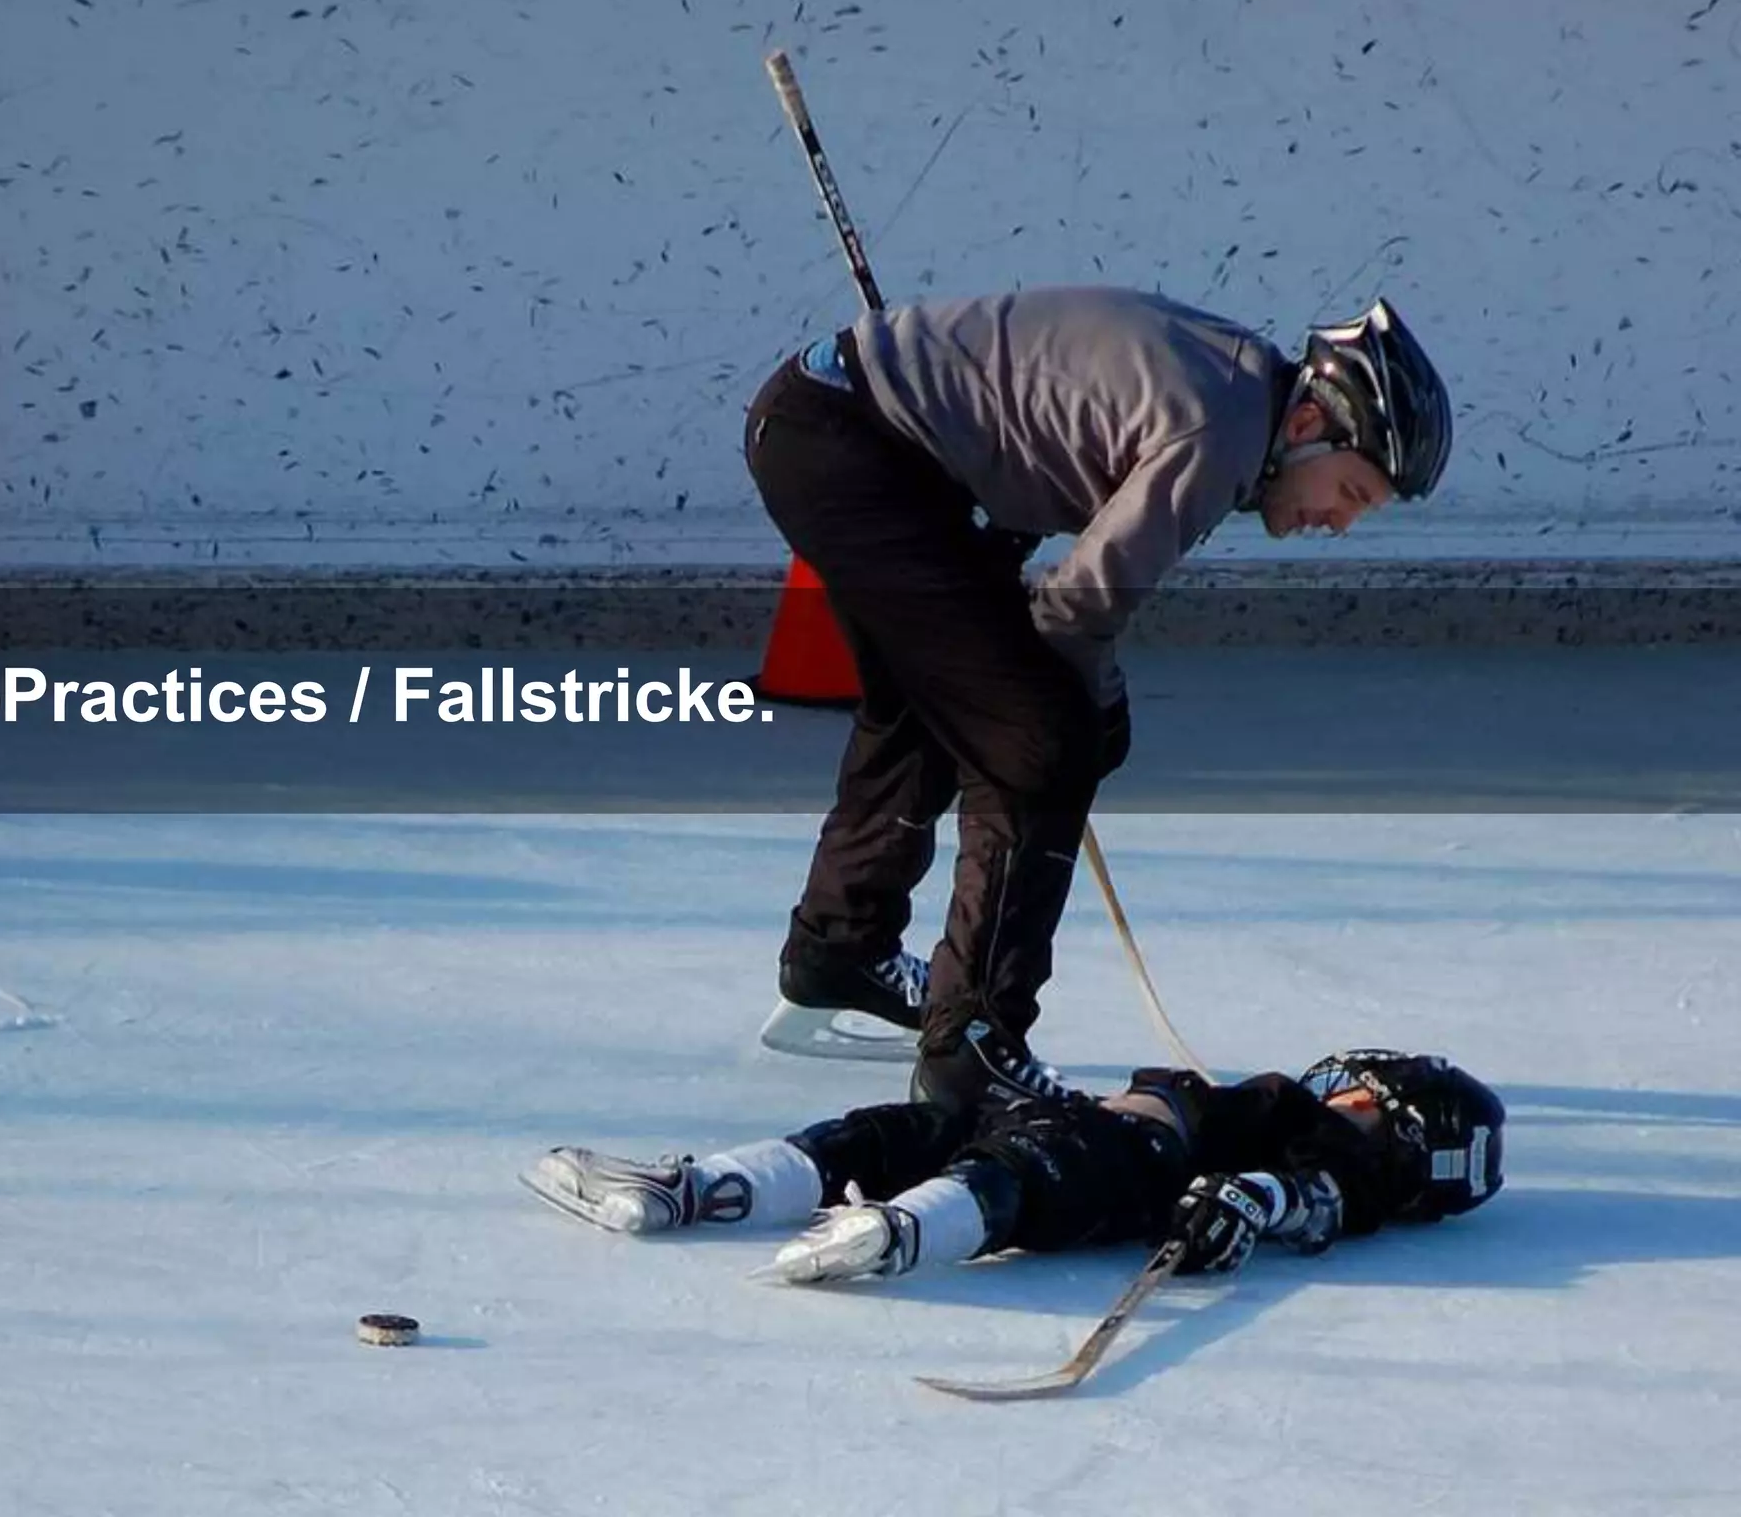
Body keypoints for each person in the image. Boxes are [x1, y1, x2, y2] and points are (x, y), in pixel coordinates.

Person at [745, 288, 1455, 1110]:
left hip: (840, 427)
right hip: (857, 449)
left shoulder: (1240, 391)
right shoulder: (1217, 435)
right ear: (1307, 429)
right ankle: (973, 1045)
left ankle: (841, 954)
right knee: (1039, 738)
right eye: (1355, 493)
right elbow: (1077, 610)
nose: (1341, 522)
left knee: (930, 702)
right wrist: (1098, 712)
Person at [522, 1050, 1503, 1284]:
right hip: (1080, 1123)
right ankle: (692, 1188)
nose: (1353, 1090)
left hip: (1122, 1153)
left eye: (1372, 1096)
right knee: (898, 1132)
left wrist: (1257, 1197)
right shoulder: (1291, 1119)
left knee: (1003, 1168)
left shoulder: (1332, 1152)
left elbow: (1318, 1199)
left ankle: (899, 1229)